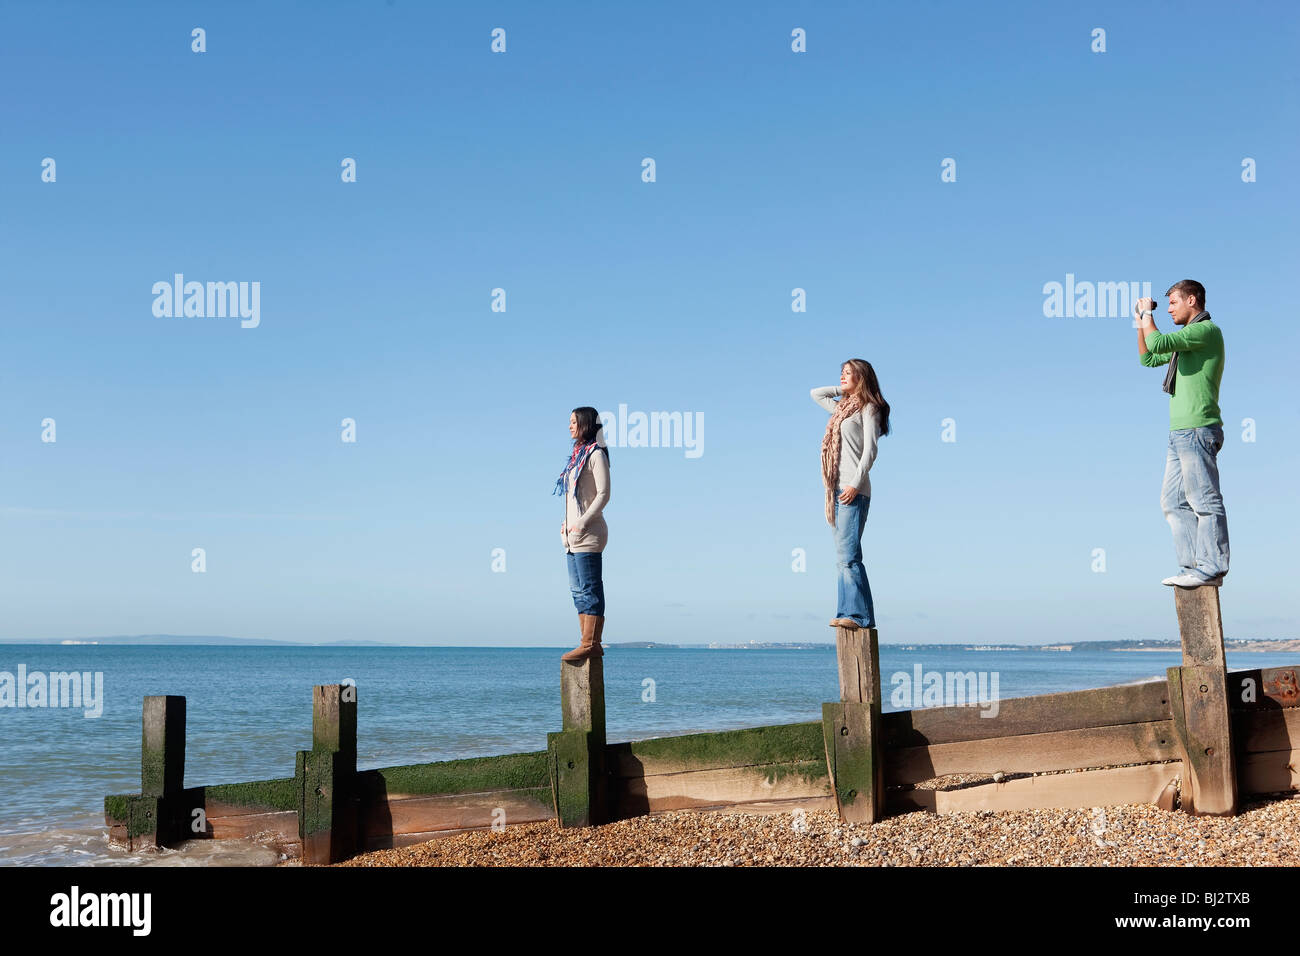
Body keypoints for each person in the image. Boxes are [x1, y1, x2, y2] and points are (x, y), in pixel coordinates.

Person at [1135, 280, 1228, 587]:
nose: (1170, 309)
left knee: (1204, 499)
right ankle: (1192, 567)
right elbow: (1149, 357)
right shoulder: (1185, 343)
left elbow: (1159, 343)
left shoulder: (1205, 332)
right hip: (1179, 433)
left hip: (1199, 428)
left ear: (1192, 300)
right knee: (1173, 501)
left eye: (1173, 303)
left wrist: (1149, 315)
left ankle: (1212, 567)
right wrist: (1141, 323)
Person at [811, 359, 890, 630]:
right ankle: (854, 614)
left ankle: (856, 616)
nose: (843, 376)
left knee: (848, 557)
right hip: (834, 490)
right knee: (844, 557)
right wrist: (844, 388)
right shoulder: (842, 409)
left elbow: (870, 450)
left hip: (852, 490)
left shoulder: (869, 409)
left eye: (848, 373)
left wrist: (855, 483)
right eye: (841, 373)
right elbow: (815, 393)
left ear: (862, 377)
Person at [554, 406, 611, 660]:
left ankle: (591, 644)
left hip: (589, 533)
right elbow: (572, 498)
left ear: (586, 423)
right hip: (572, 537)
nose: (569, 426)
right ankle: (586, 642)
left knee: (590, 588)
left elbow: (603, 494)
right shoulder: (576, 456)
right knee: (577, 590)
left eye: (573, 421)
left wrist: (583, 521)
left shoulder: (596, 454)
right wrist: (565, 524)